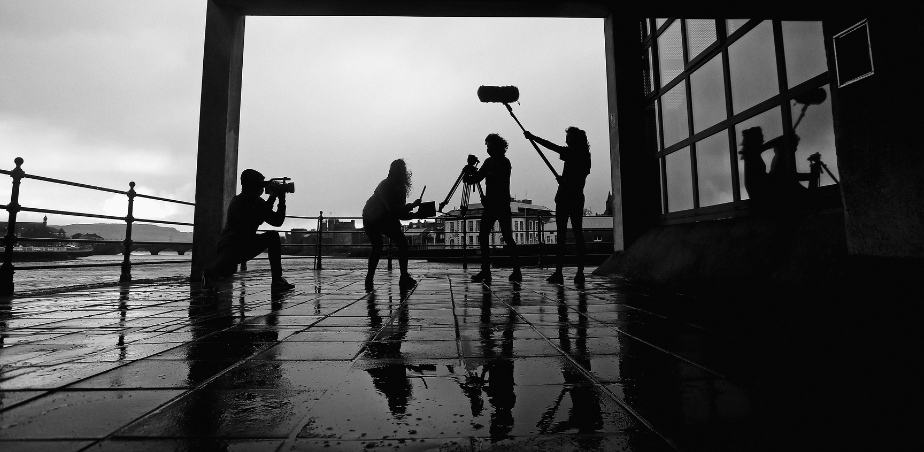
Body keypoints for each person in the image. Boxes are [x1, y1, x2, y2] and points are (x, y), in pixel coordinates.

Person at [202, 169, 295, 292]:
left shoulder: (258, 202)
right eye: (260, 184)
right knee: (228, 269)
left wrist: (281, 199)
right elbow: (254, 219)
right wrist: (272, 198)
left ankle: (277, 280)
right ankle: (207, 274)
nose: (262, 188)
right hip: (230, 246)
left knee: (273, 237)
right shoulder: (238, 202)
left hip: (247, 243)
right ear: (252, 185)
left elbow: (277, 221)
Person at [525, 127, 591, 284]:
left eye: (568, 137)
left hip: (566, 198)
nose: (566, 140)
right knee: (577, 234)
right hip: (574, 197)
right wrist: (565, 180)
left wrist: (533, 136)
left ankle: (560, 272)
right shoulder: (584, 155)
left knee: (562, 236)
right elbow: (580, 176)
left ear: (575, 139)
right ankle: (579, 272)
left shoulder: (573, 153)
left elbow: (551, 146)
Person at [464, 133, 521, 284]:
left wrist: (472, 175)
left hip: (499, 204)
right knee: (488, 236)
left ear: (495, 146)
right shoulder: (490, 162)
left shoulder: (504, 162)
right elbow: (478, 177)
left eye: (489, 145)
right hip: (494, 205)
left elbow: (491, 178)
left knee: (505, 237)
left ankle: (511, 270)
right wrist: (469, 176)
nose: (487, 148)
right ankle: (490, 271)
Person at [363, 159, 421, 292]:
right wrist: (413, 208)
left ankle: (372, 278)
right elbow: (394, 209)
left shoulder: (396, 187)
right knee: (382, 245)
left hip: (379, 216)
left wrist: (415, 214)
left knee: (386, 245)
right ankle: (399, 277)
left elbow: (398, 212)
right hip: (372, 217)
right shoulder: (386, 185)